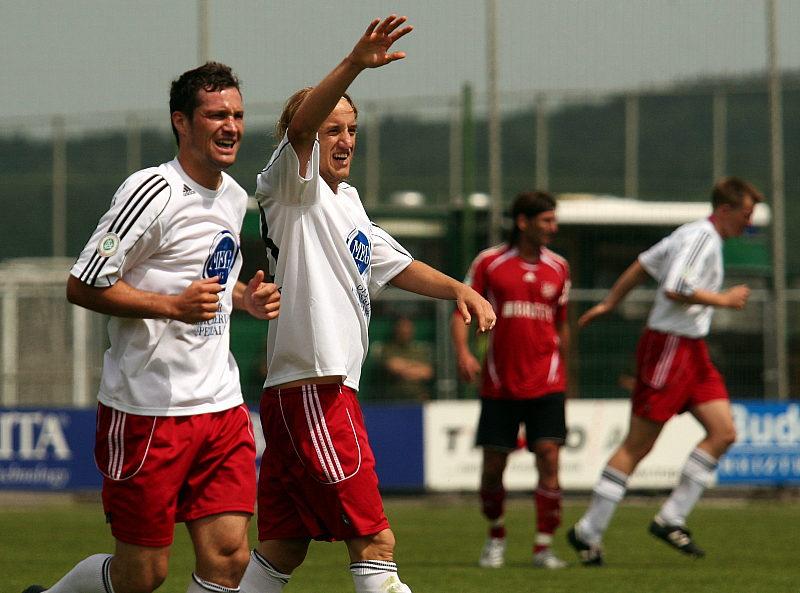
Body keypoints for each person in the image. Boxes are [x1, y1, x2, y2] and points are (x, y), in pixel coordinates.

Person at [238, 15, 496, 593]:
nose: (345, 139)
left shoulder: (347, 202)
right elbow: (300, 127)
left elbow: (395, 263)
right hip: (315, 390)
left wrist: (458, 289)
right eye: (332, 129)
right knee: (375, 542)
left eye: (352, 129)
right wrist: (355, 63)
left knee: (282, 548)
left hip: (310, 392)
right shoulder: (291, 187)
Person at [23, 62, 281, 593]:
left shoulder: (234, 197)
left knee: (230, 556)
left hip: (220, 406)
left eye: (237, 115)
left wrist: (244, 298)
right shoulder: (152, 191)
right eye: (216, 115)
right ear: (181, 122)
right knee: (142, 575)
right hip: (147, 412)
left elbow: (209, 281)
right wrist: (171, 307)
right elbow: (82, 284)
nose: (231, 126)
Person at [567, 177, 764, 565]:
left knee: (724, 432)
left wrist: (611, 302)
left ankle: (671, 518)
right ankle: (588, 530)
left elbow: (644, 263)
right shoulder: (702, 237)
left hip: (693, 349)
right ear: (725, 209)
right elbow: (674, 287)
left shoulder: (692, 234)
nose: (749, 222)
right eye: (745, 214)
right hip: (669, 347)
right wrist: (723, 300)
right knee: (637, 446)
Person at [451, 191, 571, 570]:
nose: (553, 227)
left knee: (549, 458)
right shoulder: (489, 263)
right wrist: (463, 352)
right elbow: (461, 309)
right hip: (499, 383)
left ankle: (543, 546)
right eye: (546, 220)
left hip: (547, 382)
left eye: (554, 220)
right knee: (493, 467)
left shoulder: (559, 267)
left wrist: (566, 371)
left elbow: (562, 325)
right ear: (523, 222)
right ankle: (496, 536)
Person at [376, 316, 434, 401]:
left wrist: (404, 367)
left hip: (418, 398)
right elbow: (393, 367)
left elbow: (427, 372)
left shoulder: (419, 350)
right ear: (397, 330)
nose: (405, 332)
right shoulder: (389, 349)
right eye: (402, 329)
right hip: (395, 399)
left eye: (408, 329)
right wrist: (415, 366)